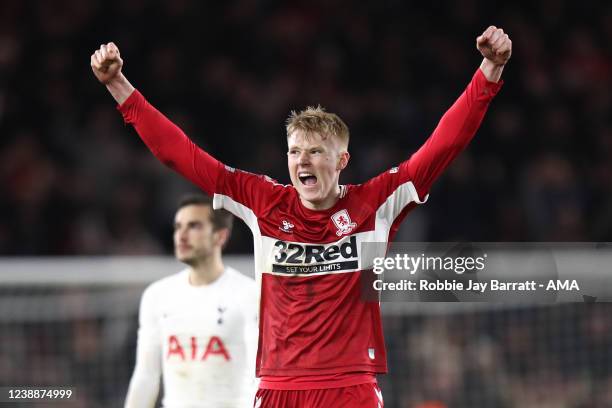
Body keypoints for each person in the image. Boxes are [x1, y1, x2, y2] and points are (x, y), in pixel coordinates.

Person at [92, 25, 512, 408]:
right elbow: (180, 154)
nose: (302, 161)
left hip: (351, 387)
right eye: (294, 151)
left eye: (315, 151)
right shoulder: (263, 201)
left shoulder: (375, 203)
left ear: (342, 159)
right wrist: (119, 86)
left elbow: (444, 144)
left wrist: (489, 71)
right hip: (278, 387)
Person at [124, 194, 258, 408]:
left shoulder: (248, 294)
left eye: (194, 226)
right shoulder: (157, 296)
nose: (182, 235)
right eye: (178, 227)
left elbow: (259, 379)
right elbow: (146, 377)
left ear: (220, 236)